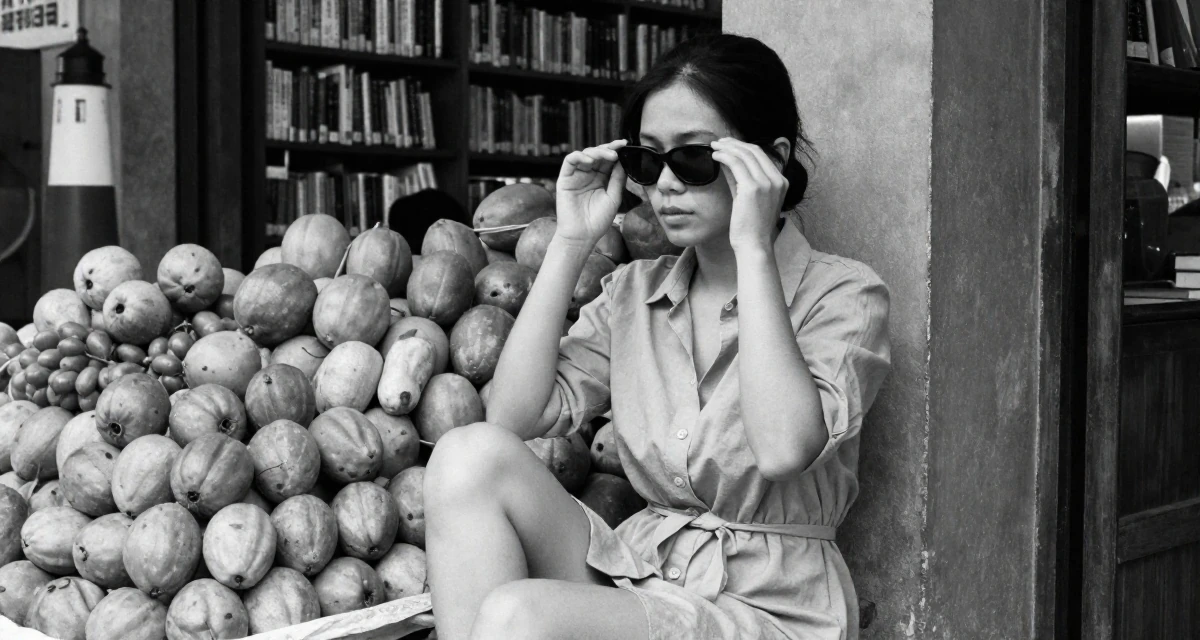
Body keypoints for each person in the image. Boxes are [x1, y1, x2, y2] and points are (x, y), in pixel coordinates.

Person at [423, 33, 892, 640]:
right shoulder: (632, 292)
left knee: (518, 616)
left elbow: (782, 449)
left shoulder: (845, 295)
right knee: (467, 457)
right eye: (648, 161)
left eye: (693, 158)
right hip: (644, 580)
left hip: (768, 613)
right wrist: (570, 241)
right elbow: (511, 419)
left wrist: (753, 247)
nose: (666, 183)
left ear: (770, 160)